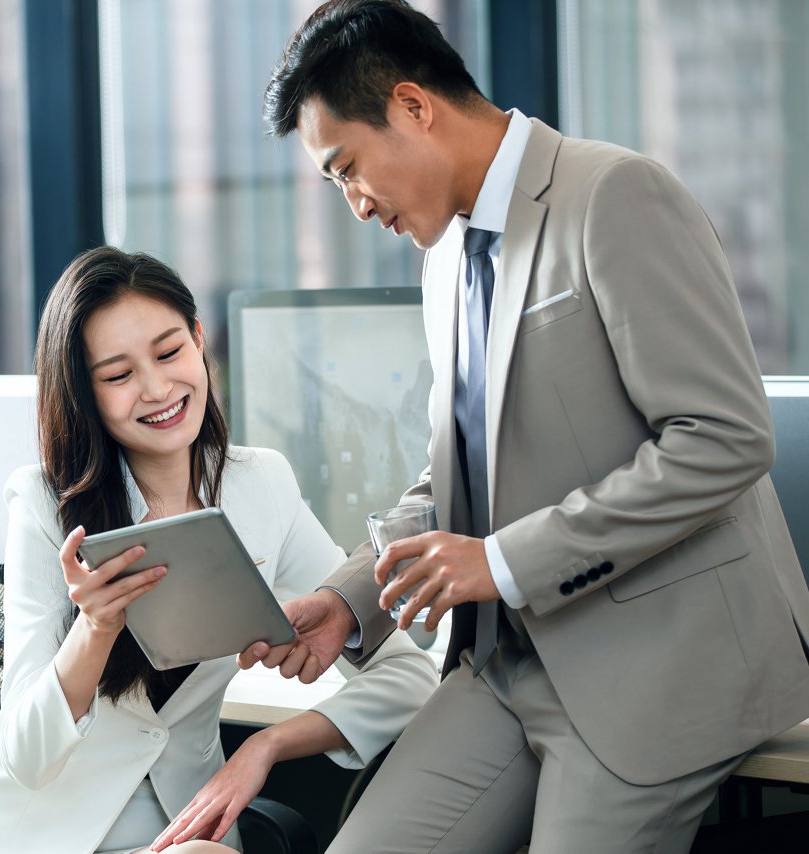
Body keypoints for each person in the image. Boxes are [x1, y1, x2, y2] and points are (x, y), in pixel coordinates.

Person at [239, 1, 809, 852]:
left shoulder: (614, 194)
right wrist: (350, 600)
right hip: (507, 669)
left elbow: (723, 436)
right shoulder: (445, 262)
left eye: (348, 168)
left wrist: (501, 562)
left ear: (413, 106)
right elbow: (456, 480)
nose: (356, 205)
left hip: (655, 662)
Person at [0, 246, 438, 854]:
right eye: (118, 375)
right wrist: (94, 627)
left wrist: (264, 747)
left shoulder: (261, 486)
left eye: (170, 352)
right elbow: (27, 758)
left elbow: (408, 675)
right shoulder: (45, 503)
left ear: (199, 341)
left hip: (180, 834)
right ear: (85, 394)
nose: (157, 387)